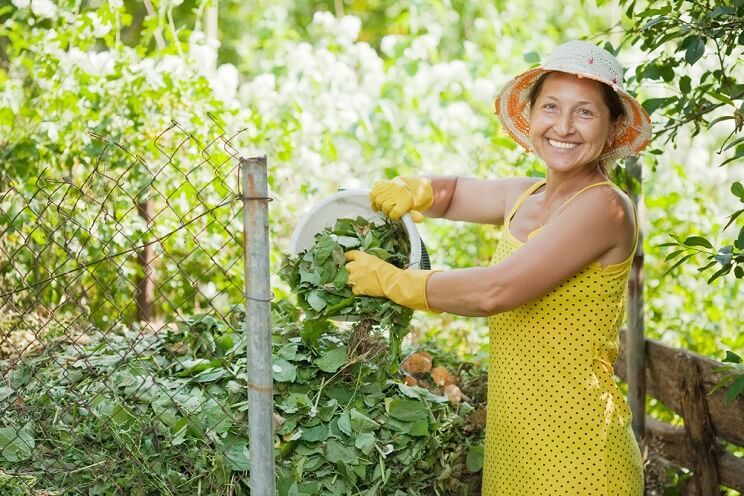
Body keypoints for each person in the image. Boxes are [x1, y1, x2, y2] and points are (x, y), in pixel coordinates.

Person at [344, 40, 651, 495]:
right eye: (551, 107)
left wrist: (394, 282)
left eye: (585, 112)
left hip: (582, 456)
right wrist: (418, 188)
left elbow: (496, 291)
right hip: (516, 451)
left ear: (611, 128)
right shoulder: (525, 195)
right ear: (531, 115)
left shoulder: (605, 208)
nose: (563, 126)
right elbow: (453, 193)